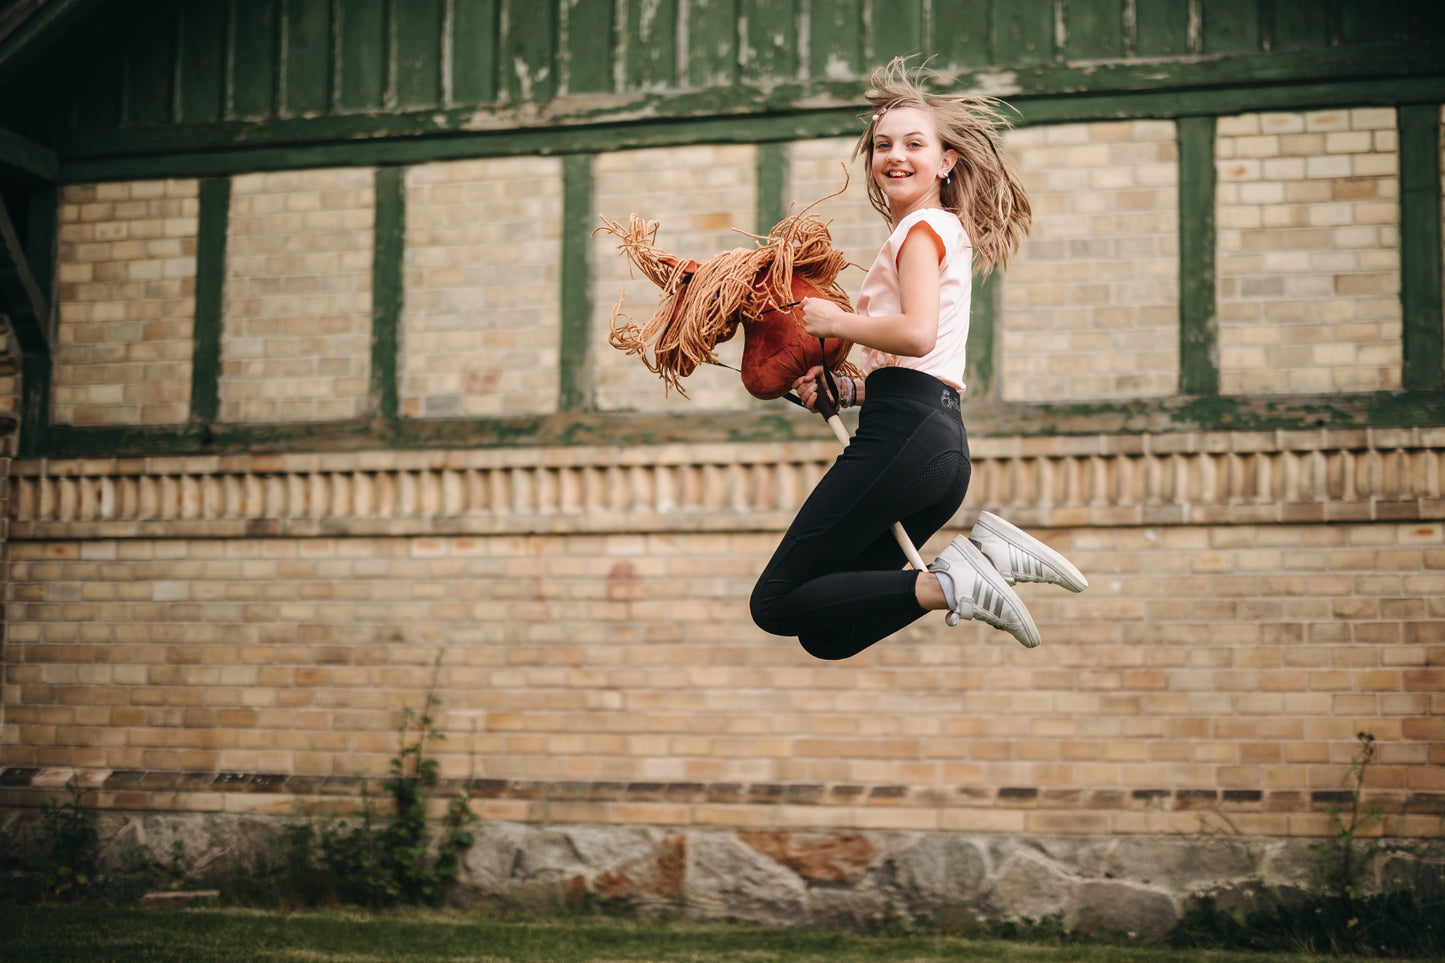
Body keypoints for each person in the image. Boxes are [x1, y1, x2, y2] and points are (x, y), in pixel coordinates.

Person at [749, 59, 1087, 661]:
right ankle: (981, 561)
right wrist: (852, 392)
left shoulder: (921, 230)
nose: (895, 156)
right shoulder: (940, 230)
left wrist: (832, 322)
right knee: (829, 632)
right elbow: (917, 353)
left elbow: (917, 334)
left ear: (947, 160)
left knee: (774, 603)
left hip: (905, 438)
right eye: (882, 145)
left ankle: (955, 580)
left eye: (914, 143)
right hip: (936, 447)